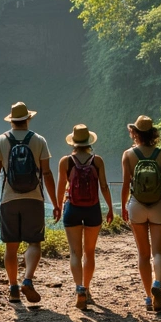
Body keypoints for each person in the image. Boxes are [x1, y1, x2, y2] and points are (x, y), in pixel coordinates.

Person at [0, 101, 59, 304]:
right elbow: (46, 173)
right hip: (34, 198)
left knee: (11, 248)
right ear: (28, 119)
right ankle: (27, 279)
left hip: (8, 200)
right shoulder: (39, 140)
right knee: (34, 242)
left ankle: (13, 289)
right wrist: (55, 202)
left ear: (11, 120)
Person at [120, 115, 161, 312]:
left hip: (137, 205)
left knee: (143, 255)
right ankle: (158, 284)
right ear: (153, 133)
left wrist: (123, 207)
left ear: (135, 133)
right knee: (158, 252)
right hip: (158, 205)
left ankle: (147, 298)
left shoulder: (128, 154)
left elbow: (126, 184)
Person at [56, 124, 114, 310]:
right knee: (89, 252)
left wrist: (58, 207)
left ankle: (79, 288)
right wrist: (111, 208)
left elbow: (60, 187)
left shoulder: (65, 161)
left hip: (72, 208)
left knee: (75, 252)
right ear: (89, 142)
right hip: (93, 209)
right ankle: (87, 289)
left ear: (73, 142)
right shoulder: (98, 161)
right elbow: (104, 186)